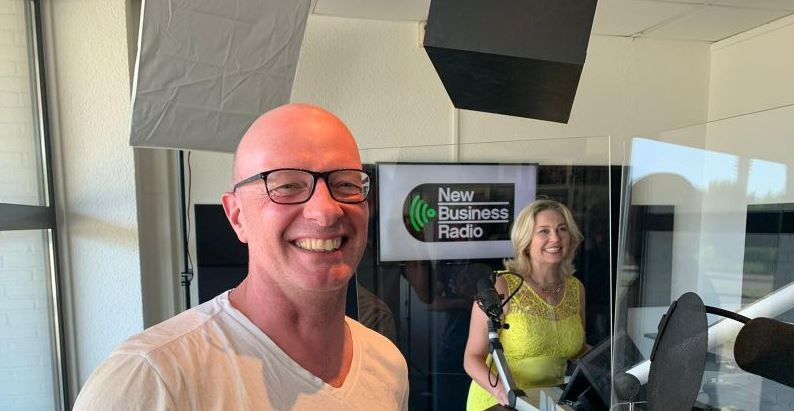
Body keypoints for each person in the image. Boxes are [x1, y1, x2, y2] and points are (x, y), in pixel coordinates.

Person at [73, 104, 409, 410]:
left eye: (346, 184)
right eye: (287, 186)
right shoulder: (151, 381)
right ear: (236, 216)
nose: (326, 211)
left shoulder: (386, 364)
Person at [463, 199, 589, 410]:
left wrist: (616, 362)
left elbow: (579, 350)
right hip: (500, 403)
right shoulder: (501, 285)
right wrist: (504, 393)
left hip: (549, 403)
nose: (555, 238)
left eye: (562, 229)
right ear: (526, 240)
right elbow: (472, 358)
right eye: (544, 231)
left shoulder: (576, 289)